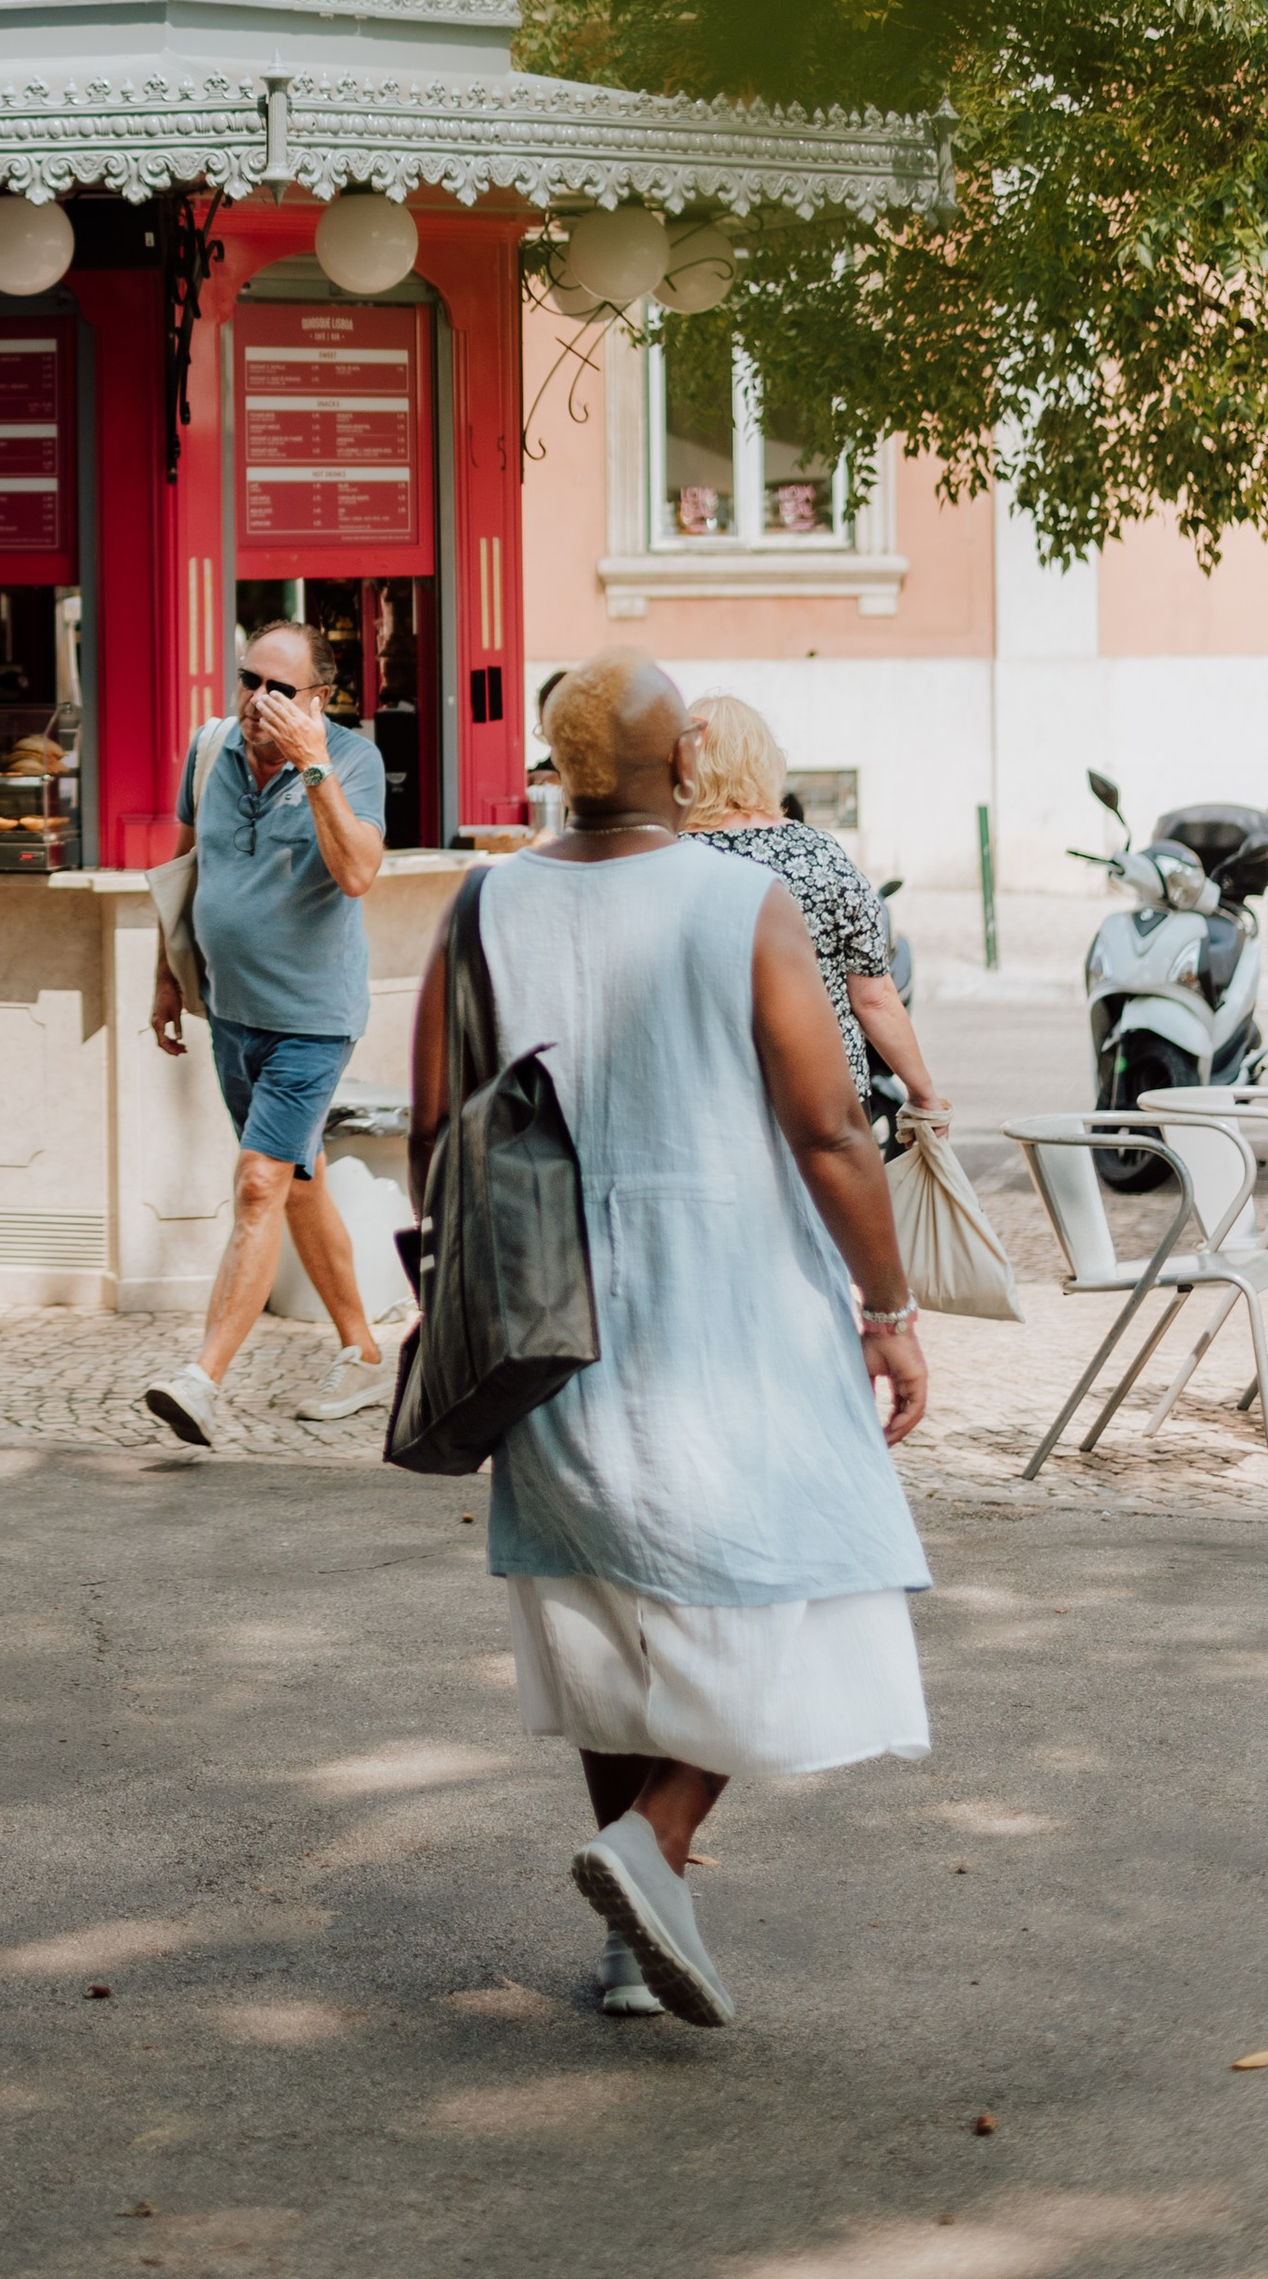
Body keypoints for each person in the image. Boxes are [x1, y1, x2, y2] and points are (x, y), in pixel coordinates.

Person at [412, 649, 930, 2032]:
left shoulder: (482, 903)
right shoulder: (741, 897)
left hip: (546, 1305)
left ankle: (639, 1930)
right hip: (738, 1295)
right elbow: (829, 1128)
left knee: (599, 1609)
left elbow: (431, 1125)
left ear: (559, 773)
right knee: (809, 1563)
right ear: (685, 767)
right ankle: (657, 1843)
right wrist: (887, 1307)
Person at [144, 618, 395, 1442]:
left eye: (280, 688)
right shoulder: (209, 748)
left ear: (319, 697)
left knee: (259, 1183)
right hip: (231, 1012)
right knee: (298, 1180)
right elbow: (187, 864)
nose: (258, 700)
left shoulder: (352, 761)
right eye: (249, 679)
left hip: (311, 1021)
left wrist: (312, 767)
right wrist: (167, 974)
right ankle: (362, 1352)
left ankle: (201, 1380)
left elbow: (358, 872)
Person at [678, 693, 946, 1123]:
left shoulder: (666, 861)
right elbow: (874, 997)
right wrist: (924, 1094)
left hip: (706, 1102)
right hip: (824, 1099)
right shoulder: (819, 853)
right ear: (763, 763)